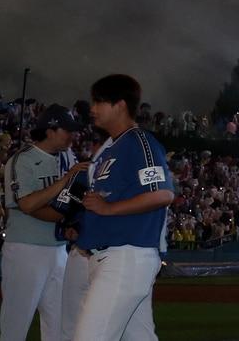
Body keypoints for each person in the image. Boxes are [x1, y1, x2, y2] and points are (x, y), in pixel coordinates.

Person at [72, 75, 175, 341]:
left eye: (99, 101)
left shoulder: (139, 141)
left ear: (120, 105)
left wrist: (108, 209)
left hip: (126, 257)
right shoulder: (110, 149)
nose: (92, 108)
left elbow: (162, 194)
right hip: (109, 257)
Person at [1, 106, 85, 341]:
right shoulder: (21, 160)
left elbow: (63, 205)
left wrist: (70, 219)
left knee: (60, 326)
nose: (72, 135)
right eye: (67, 130)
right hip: (25, 249)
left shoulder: (68, 158)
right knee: (15, 326)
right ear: (50, 130)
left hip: (59, 249)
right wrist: (66, 180)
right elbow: (27, 205)